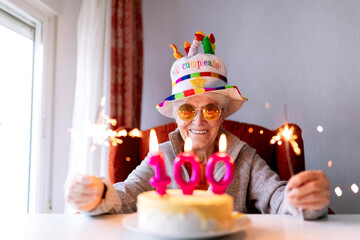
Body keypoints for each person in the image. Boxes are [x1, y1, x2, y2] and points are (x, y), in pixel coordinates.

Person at [65, 32, 330, 219]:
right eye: (187, 109)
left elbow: (278, 198)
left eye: (211, 109)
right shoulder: (163, 155)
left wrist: (304, 200)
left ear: (223, 115)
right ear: (176, 116)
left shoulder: (244, 158)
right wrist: (98, 194)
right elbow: (126, 194)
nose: (199, 120)